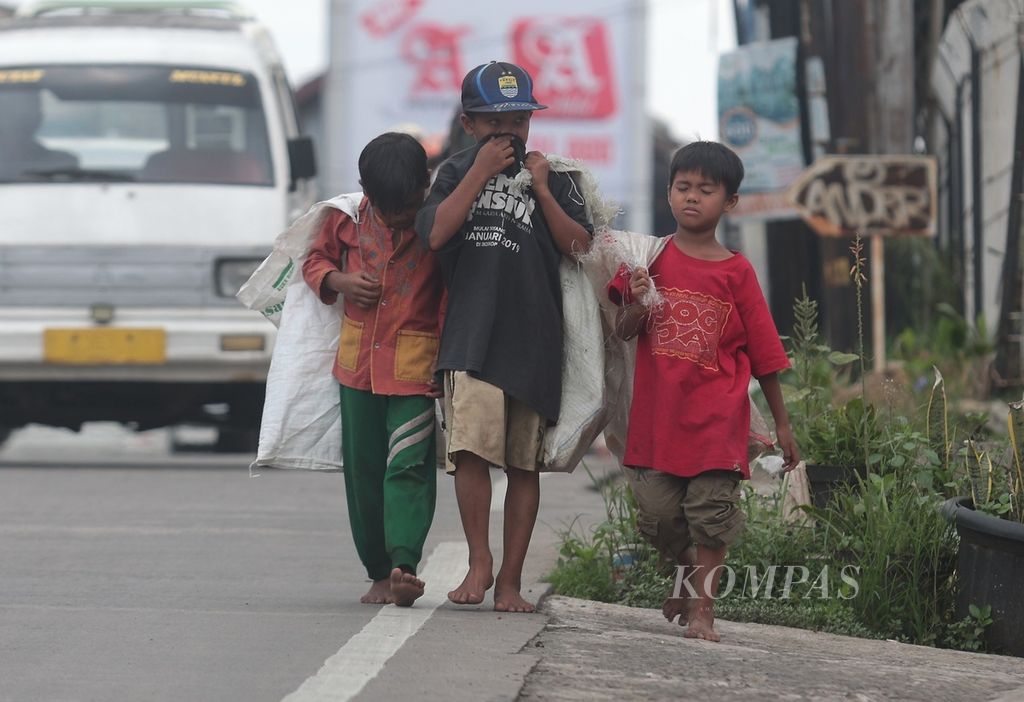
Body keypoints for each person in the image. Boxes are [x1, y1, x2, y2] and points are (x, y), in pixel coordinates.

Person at [415, 61, 593, 613]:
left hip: (533, 341)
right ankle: (479, 562)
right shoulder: (450, 174)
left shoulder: (558, 177)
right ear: (469, 124)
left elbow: (581, 248)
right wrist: (478, 171)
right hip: (470, 338)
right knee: (469, 453)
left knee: (523, 465)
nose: (510, 133)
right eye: (496, 123)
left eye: (520, 120)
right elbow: (437, 234)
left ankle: (511, 581)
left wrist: (541, 189)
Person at [609, 141, 800, 641]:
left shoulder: (737, 272)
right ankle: (689, 572)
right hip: (656, 421)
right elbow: (623, 329)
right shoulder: (648, 258)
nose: (692, 198)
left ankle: (704, 613)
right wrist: (638, 296)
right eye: (683, 187)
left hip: (717, 421)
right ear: (669, 192)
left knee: (710, 518)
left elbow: (765, 354)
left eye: (706, 190)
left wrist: (782, 424)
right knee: (655, 516)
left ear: (729, 201)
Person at [302, 132, 444, 607]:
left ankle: (404, 563)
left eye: (408, 206)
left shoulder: (439, 224)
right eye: (389, 210)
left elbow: (452, 292)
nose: (400, 218)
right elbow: (313, 260)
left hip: (416, 370)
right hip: (356, 368)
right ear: (364, 189)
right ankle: (378, 571)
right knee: (362, 471)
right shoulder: (343, 219)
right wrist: (339, 281)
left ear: (426, 185)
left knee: (408, 466)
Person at [0, 89, 78, 180]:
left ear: (39, 117)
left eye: (30, 111)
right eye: (11, 113)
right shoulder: (61, 162)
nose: (20, 119)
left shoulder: (63, 164)